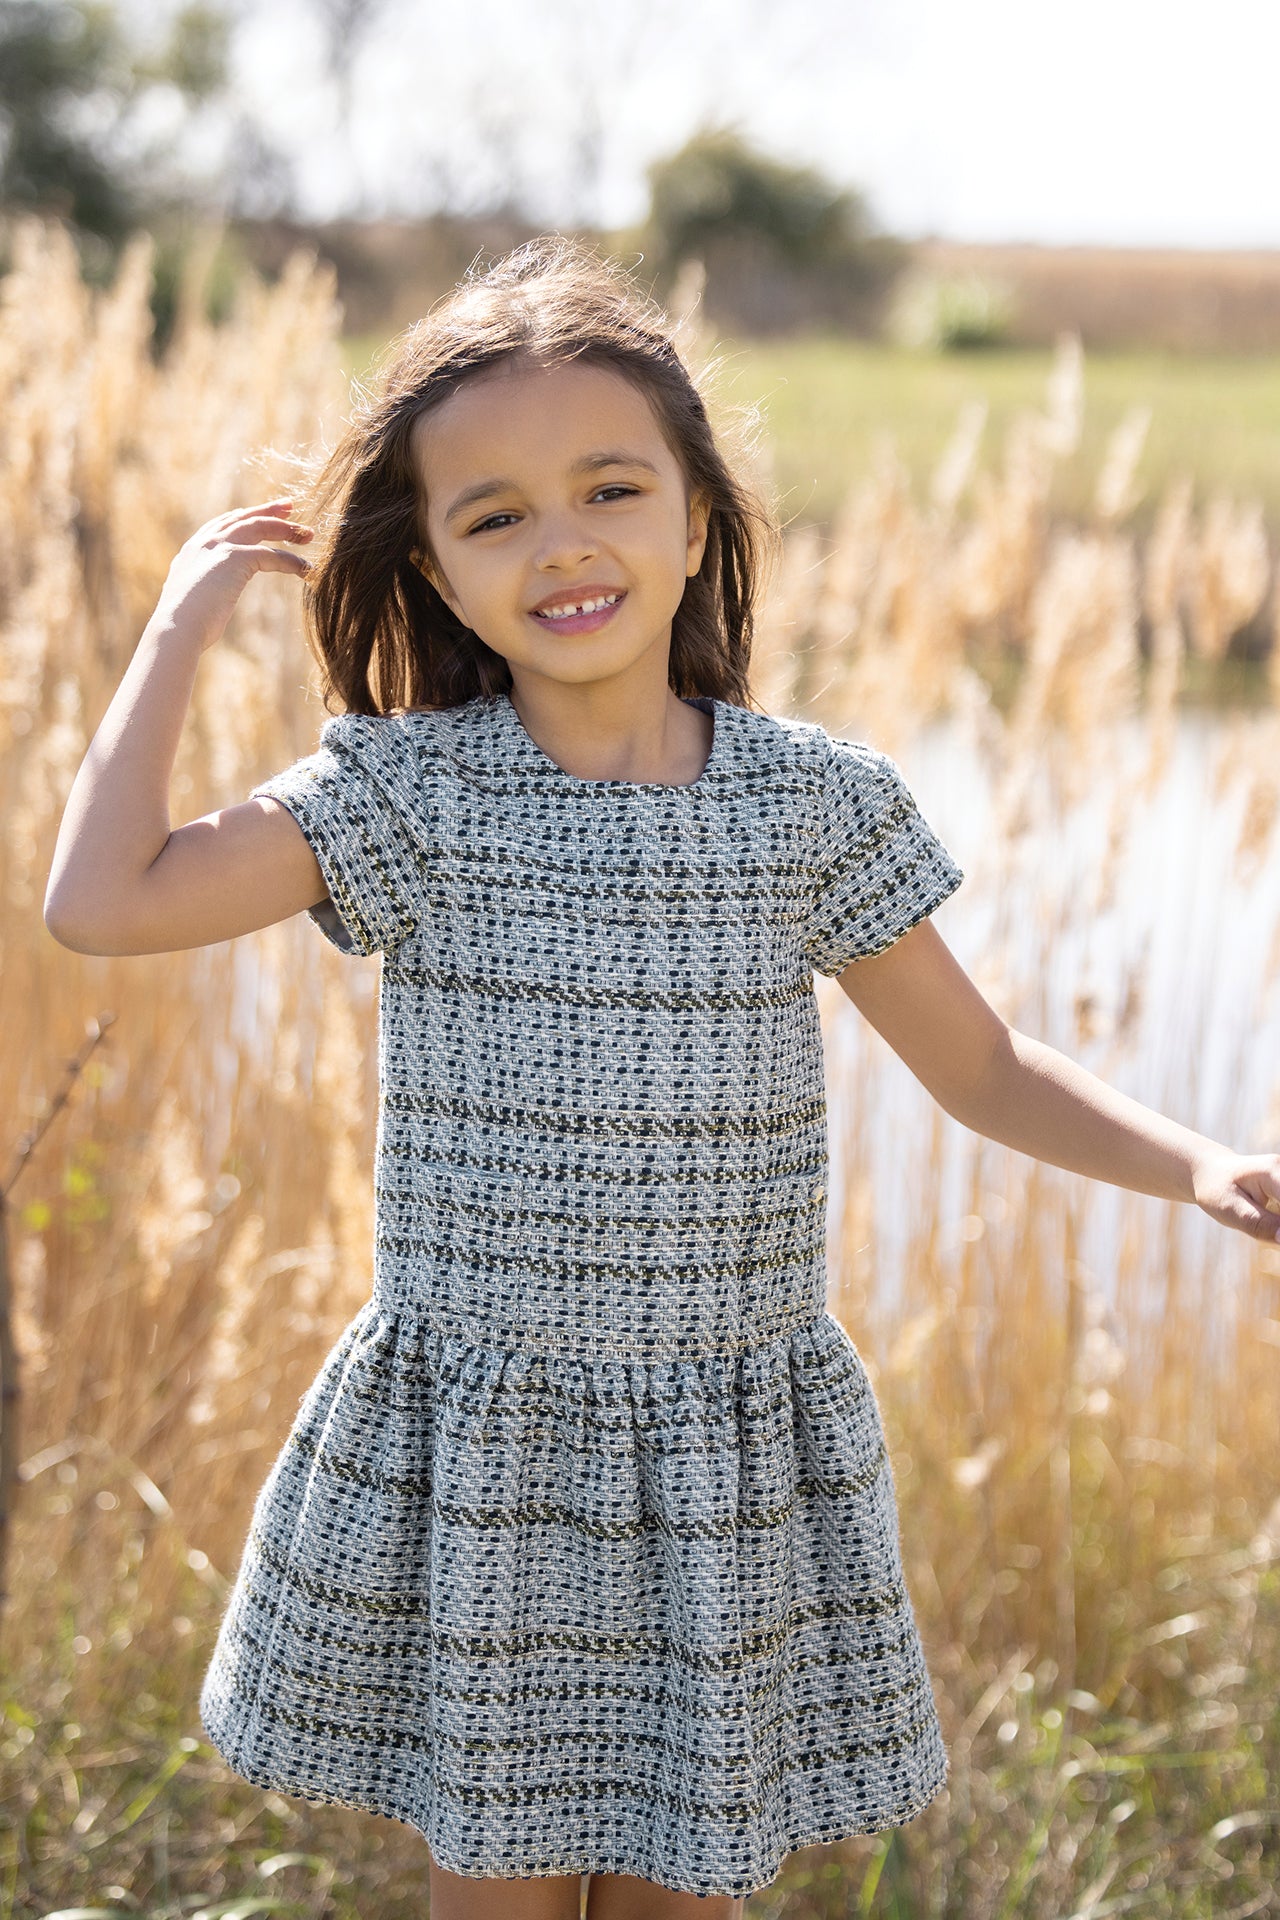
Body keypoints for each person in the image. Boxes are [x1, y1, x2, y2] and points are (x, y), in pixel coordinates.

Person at [44, 237, 1280, 1920]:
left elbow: (983, 1069)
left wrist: (1197, 1165)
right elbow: (99, 904)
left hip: (722, 1465)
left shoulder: (807, 805)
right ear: (443, 578)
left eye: (608, 488)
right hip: (501, 1468)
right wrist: (185, 619)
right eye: (493, 517)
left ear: (696, 519)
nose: (562, 543)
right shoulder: (411, 800)